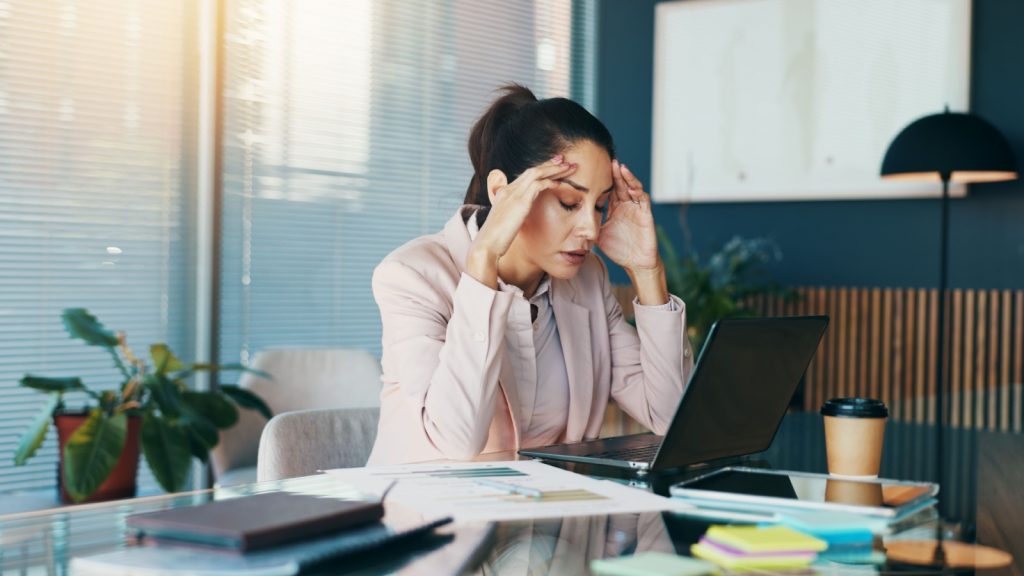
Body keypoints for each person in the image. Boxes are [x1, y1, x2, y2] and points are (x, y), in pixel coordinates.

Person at [367, 84, 694, 465]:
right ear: (502, 192)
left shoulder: (587, 278)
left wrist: (647, 271)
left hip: (550, 516)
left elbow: (670, 417)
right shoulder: (412, 276)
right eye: (570, 203)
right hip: (432, 517)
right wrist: (483, 261)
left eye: (600, 205)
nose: (590, 228)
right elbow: (456, 439)